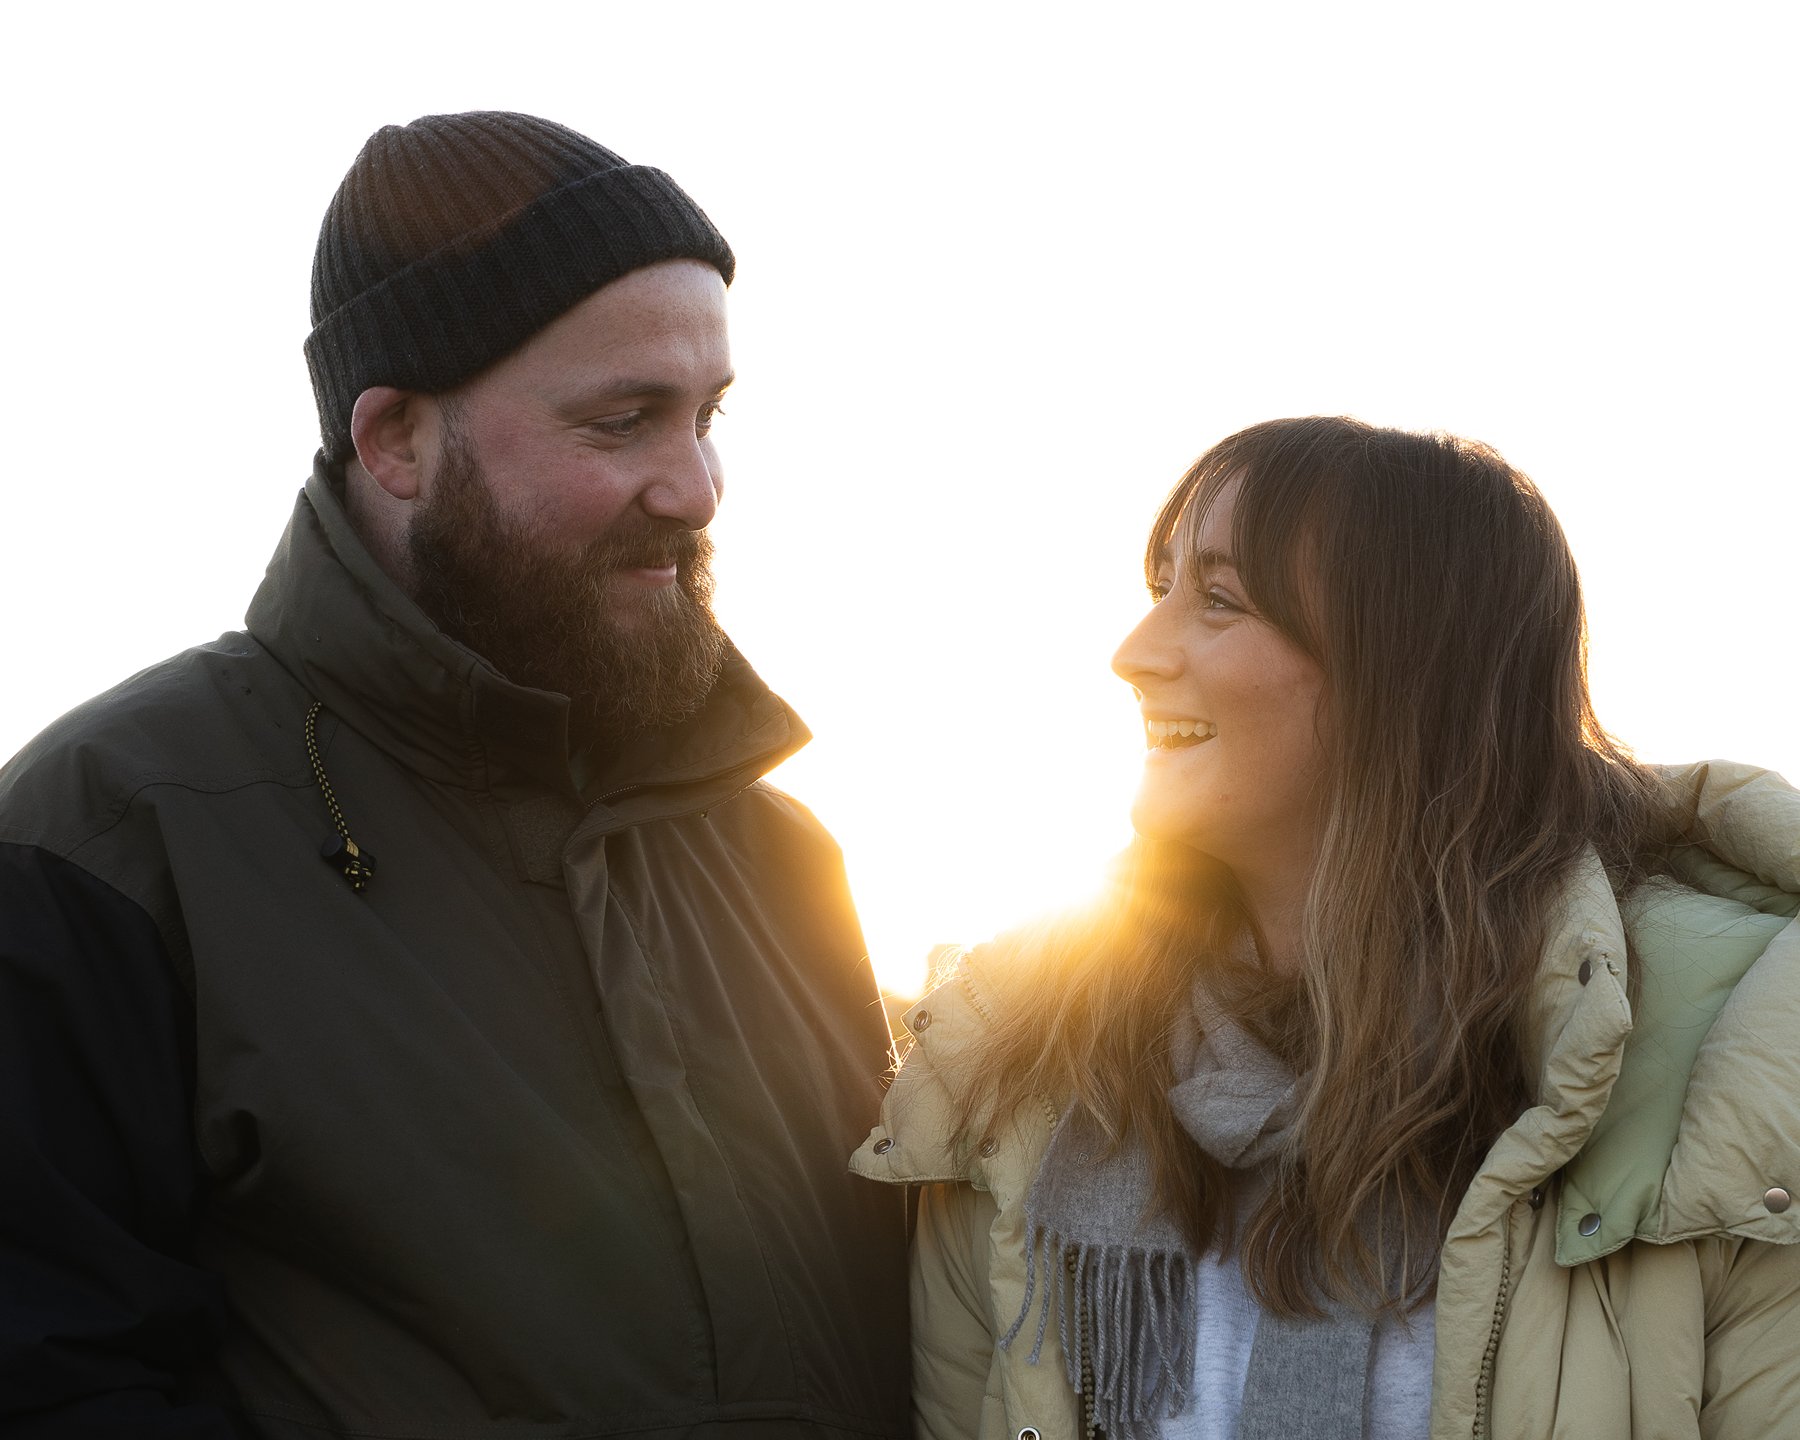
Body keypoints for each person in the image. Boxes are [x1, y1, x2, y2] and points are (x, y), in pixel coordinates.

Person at [0, 112, 909, 1438]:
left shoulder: (781, 854)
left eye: (709, 416)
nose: (698, 486)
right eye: (624, 420)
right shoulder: (109, 835)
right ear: (397, 444)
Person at [853, 416, 1800, 1439]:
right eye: (1158, 590)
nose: (1134, 653)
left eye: (1217, 601)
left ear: (1404, 674)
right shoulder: (1020, 1071)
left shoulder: (1723, 1079)